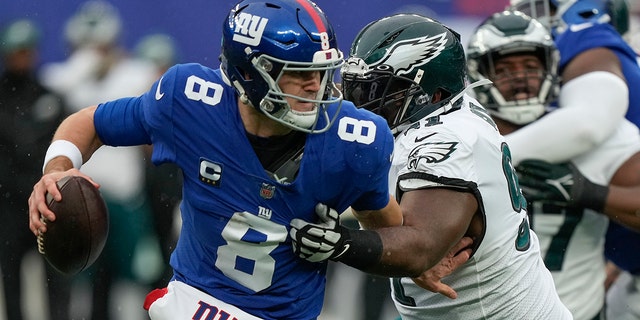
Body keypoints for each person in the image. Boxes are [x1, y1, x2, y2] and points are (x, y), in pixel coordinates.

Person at [27, 0, 404, 319]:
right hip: (197, 303)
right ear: (250, 73)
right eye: (300, 74)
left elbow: (386, 225)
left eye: (321, 73)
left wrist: (380, 250)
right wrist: (56, 171)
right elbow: (90, 122)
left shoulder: (355, 138)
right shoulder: (190, 100)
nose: (316, 87)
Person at [290, 13, 572, 319]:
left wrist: (342, 243)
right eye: (358, 87)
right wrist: (409, 255)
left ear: (433, 94)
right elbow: (405, 241)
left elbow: (419, 248)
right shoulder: (444, 112)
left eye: (380, 90)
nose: (361, 104)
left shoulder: (448, 139)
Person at [466, 9, 640, 319]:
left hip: (576, 311)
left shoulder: (599, 137)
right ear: (480, 73)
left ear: (552, 68)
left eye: (531, 66)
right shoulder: (462, 135)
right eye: (504, 68)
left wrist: (589, 193)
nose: (520, 77)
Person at [0, 19, 72, 320]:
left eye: (27, 51)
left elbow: (57, 144)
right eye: (17, 51)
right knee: (12, 278)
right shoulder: (3, 98)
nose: (22, 58)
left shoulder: (49, 96)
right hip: (7, 203)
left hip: (43, 202)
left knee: (55, 275)